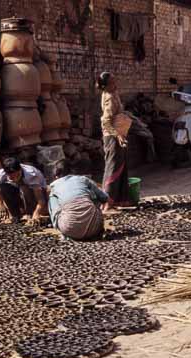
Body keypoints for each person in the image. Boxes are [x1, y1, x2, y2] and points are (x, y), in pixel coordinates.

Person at [48, 162, 108, 240]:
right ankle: (94, 230)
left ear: (56, 176)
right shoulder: (83, 179)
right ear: (72, 172)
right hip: (94, 227)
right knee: (90, 194)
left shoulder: (54, 186)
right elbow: (104, 197)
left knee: (52, 197)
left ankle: (64, 233)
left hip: (69, 229)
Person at [98, 71, 132, 211]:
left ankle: (121, 199)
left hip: (119, 134)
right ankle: (107, 200)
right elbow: (105, 122)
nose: (115, 84)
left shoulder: (114, 94)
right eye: (112, 82)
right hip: (112, 137)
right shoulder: (109, 98)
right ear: (105, 86)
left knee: (121, 165)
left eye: (115, 81)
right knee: (112, 166)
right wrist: (117, 135)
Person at [0, 157, 48, 224]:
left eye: (17, 175)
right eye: (11, 177)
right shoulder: (1, 174)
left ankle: (30, 213)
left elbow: (40, 199)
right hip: (18, 193)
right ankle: (15, 215)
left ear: (20, 169)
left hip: (38, 196)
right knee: (3, 187)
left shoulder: (31, 174)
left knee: (24, 188)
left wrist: (37, 212)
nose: (14, 178)